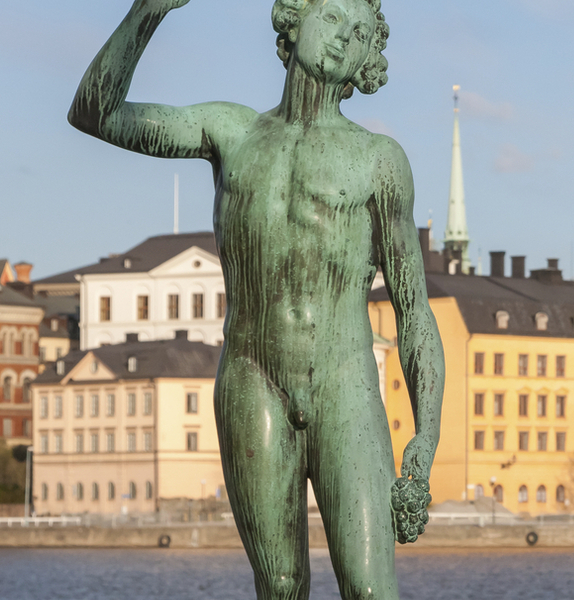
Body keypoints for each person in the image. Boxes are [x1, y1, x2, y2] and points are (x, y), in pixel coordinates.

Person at [71, 1, 443, 598]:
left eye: (360, 31)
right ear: (293, 19)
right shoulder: (232, 132)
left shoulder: (378, 161)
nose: (344, 34)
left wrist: (424, 441)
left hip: (344, 382)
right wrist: (150, 11)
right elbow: (95, 113)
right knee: (280, 585)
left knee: (371, 591)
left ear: (366, 58)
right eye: (333, 14)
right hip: (251, 380)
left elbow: (414, 309)